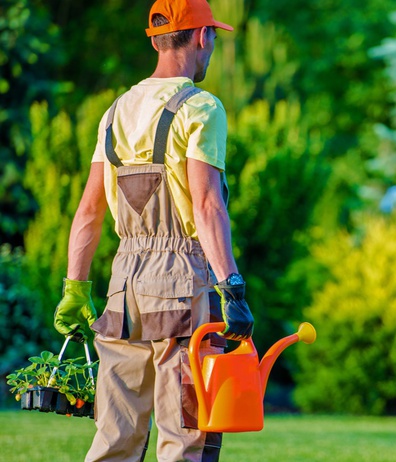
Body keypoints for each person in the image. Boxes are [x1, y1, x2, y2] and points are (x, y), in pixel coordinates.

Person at [52, 0, 254, 460]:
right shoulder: (202, 107)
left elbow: (88, 212)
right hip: (183, 285)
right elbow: (206, 205)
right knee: (186, 437)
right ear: (202, 37)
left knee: (115, 439)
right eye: (214, 37)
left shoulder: (116, 111)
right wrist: (233, 289)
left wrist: (75, 287)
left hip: (123, 288)